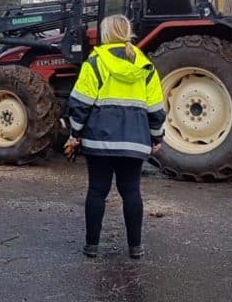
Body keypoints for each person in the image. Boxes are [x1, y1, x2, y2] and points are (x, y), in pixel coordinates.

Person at [65, 14, 167, 259]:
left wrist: (74, 134)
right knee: (131, 192)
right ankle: (135, 248)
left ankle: (92, 246)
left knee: (97, 191)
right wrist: (156, 138)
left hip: (99, 141)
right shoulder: (145, 66)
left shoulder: (95, 62)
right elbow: (156, 109)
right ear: (128, 33)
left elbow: (80, 103)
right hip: (134, 142)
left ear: (105, 34)